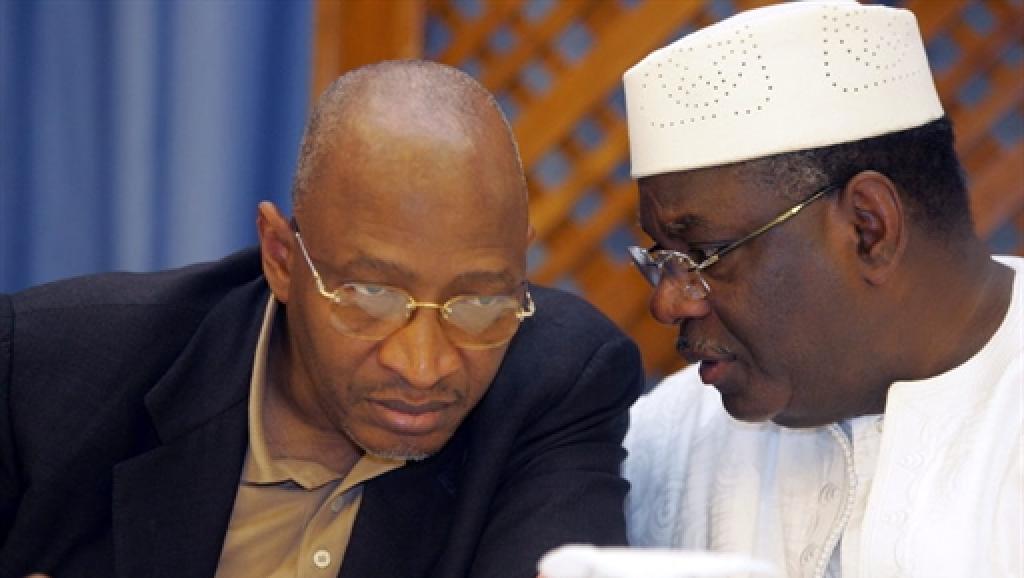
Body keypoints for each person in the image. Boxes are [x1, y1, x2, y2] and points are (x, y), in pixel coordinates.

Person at [0, 60, 645, 578]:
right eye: (370, 296)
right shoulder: (45, 370)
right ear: (281, 258)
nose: (423, 366)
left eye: (480, 304)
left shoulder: (559, 384)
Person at [619, 1, 1022, 577]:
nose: (668, 301)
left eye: (705, 255)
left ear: (867, 228)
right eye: (664, 259)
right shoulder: (668, 441)